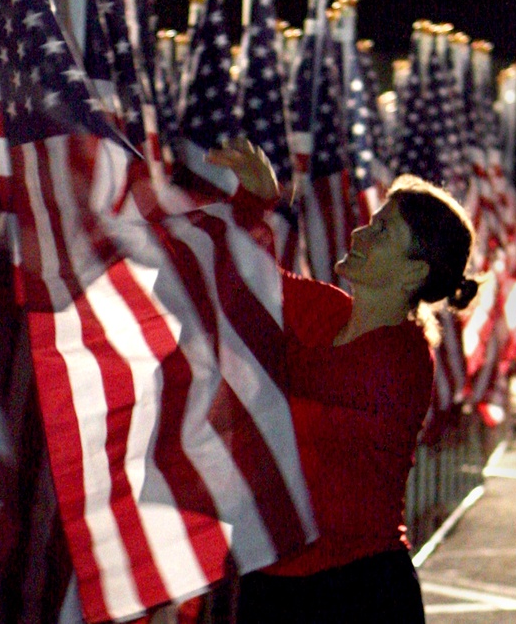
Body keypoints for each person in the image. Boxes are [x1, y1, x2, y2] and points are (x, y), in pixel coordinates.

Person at [205, 138, 478, 623]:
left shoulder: (403, 357)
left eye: (382, 231)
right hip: (271, 582)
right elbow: (244, 280)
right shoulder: (328, 310)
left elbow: (274, 364)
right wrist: (254, 202)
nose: (360, 233)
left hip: (358, 593)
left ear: (413, 271)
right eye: (373, 222)